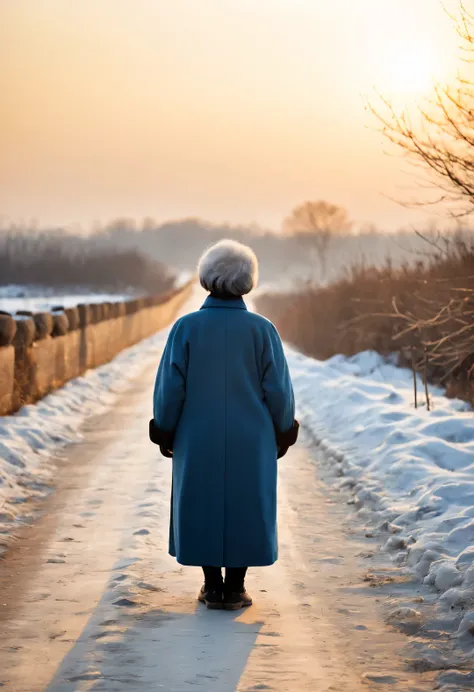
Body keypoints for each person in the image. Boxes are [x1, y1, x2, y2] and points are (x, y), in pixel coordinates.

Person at [149, 240, 298, 610]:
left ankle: (211, 585)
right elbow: (278, 387)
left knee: (201, 500)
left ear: (206, 277)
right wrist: (283, 429)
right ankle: (237, 586)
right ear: (249, 280)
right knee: (248, 503)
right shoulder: (263, 330)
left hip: (198, 435)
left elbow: (171, 386)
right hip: (253, 436)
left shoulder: (186, 328)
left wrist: (165, 427)